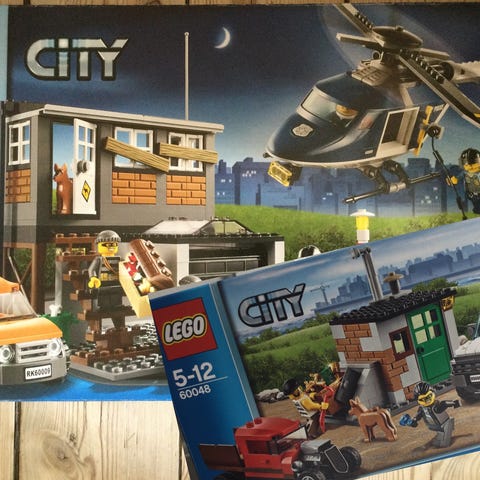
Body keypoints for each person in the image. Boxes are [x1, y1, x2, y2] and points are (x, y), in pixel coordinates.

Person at [400, 382, 461, 448]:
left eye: (428, 397)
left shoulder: (436, 406)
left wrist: (455, 403)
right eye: (423, 399)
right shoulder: (422, 409)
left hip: (445, 424)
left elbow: (444, 403)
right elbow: (417, 417)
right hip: (436, 426)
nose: (427, 401)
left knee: (443, 444)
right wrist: (412, 422)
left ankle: (443, 440)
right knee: (438, 438)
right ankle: (440, 436)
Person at [88, 230, 123, 311]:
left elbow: (123, 268)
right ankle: (103, 307)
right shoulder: (99, 259)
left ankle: (117, 306)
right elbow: (91, 269)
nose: (111, 247)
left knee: (116, 294)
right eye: (107, 244)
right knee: (103, 295)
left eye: (114, 244)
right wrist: (93, 278)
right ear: (99, 245)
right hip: (102, 282)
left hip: (116, 282)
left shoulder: (119, 259)